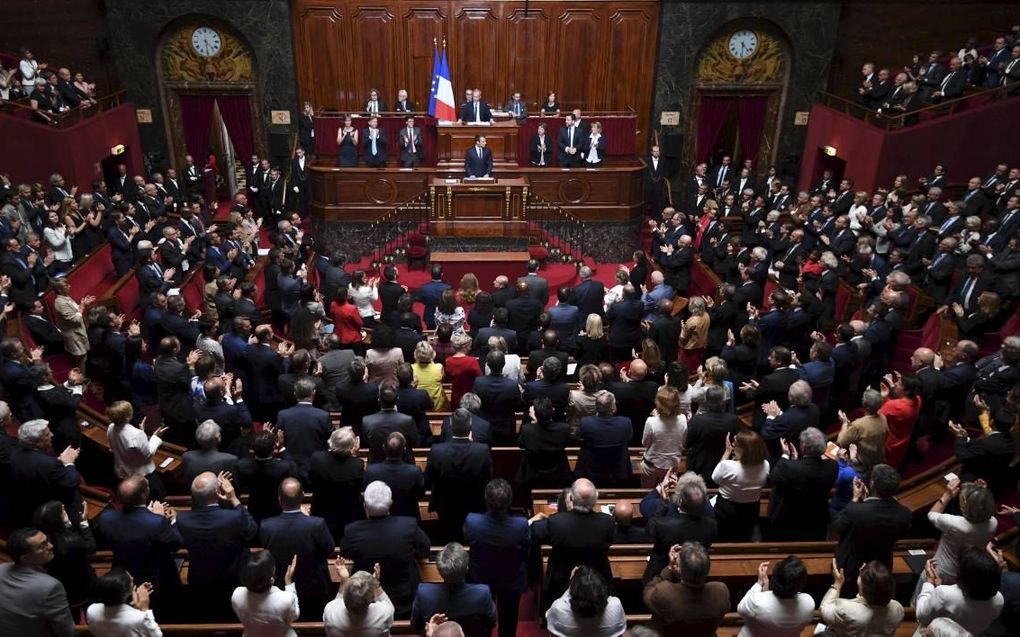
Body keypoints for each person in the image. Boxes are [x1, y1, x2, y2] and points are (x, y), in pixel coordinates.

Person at [341, 480, 431, 618]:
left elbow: (345, 554)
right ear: (391, 503)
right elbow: (424, 549)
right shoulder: (408, 525)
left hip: (366, 600)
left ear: (365, 506)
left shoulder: (352, 531)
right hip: (404, 600)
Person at [175, 471, 258, 621]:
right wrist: (234, 499)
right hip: (233, 578)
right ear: (217, 492)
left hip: (200, 580)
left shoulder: (182, 519)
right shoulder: (233, 517)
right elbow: (251, 531)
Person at [95, 477, 182, 617]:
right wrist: (166, 519)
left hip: (123, 572)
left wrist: (148, 515)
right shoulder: (157, 522)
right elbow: (175, 544)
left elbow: (131, 528)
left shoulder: (106, 518)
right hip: (156, 576)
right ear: (143, 495)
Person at [259, 478, 335, 620]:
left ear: (279, 499)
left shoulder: (266, 526)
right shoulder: (316, 524)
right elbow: (329, 549)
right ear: (302, 496)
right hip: (314, 589)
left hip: (280, 589)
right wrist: (307, 519)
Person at [463, 479, 531, 637]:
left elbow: (467, 536)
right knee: (509, 620)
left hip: (481, 577)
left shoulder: (472, 521)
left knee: (482, 620)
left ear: (486, 500)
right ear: (509, 502)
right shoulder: (521, 525)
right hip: (511, 579)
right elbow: (526, 545)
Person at [834, 464, 912, 597]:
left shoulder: (855, 510)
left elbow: (838, 527)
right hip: (882, 564)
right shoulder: (905, 514)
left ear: (872, 483)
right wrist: (867, 500)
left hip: (853, 566)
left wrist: (855, 499)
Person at [541, 479, 616, 611]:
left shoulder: (556, 522)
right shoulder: (608, 523)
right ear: (596, 498)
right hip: (596, 582)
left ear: (571, 498)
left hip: (562, 581)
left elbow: (535, 534)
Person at [426, 409, 493, 542]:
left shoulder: (437, 451)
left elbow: (429, 478)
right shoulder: (482, 450)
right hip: (474, 503)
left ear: (450, 426)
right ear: (470, 427)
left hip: (445, 504)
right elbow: (488, 477)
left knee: (448, 537)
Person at [641, 471, 718, 583]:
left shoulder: (664, 526)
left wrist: (664, 503)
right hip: (695, 572)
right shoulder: (712, 525)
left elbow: (649, 526)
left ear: (680, 501)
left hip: (663, 573)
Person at [642, 541, 731, 636]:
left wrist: (670, 568)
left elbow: (648, 591)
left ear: (679, 570)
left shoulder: (665, 594)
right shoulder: (721, 591)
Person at [768, 427, 839, 541]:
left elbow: (774, 478)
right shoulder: (833, 466)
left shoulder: (791, 467)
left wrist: (785, 455)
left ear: (803, 446)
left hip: (791, 517)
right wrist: (794, 464)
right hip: (817, 517)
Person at [0, 527, 74, 636]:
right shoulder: (50, 587)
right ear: (25, 558)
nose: (51, 546)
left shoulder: (2, 568)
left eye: (47, 541)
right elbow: (66, 630)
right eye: (42, 546)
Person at [411, 543, 496, 636]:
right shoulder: (482, 593)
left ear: (439, 571)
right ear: (467, 569)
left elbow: (416, 625)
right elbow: (491, 622)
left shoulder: (424, 593)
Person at [916, 547, 1004, 636]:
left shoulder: (943, 594)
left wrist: (929, 583)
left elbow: (921, 616)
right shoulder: (999, 600)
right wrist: (940, 587)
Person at [32, 500, 96, 621]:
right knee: (89, 613)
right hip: (82, 582)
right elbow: (90, 547)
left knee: (72, 617)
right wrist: (83, 522)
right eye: (62, 511)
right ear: (57, 520)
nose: (65, 511)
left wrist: (67, 525)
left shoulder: (43, 539)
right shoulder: (71, 542)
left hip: (60, 583)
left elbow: (64, 537)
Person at [926, 478, 997, 586]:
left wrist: (947, 494)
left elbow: (931, 514)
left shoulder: (954, 523)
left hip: (942, 571)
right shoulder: (993, 523)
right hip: (969, 571)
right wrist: (981, 495)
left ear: (964, 504)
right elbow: (982, 509)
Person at [711, 430, 770, 542]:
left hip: (726, 510)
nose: (733, 445)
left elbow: (715, 478)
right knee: (743, 535)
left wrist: (726, 453)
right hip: (751, 510)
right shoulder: (765, 465)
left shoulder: (728, 466)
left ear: (745, 450)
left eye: (735, 444)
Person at [309, 427, 365, 542]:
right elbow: (358, 487)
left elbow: (312, 480)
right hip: (347, 517)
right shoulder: (357, 465)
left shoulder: (317, 459)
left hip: (321, 512)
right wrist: (353, 456)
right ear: (352, 447)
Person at [821, 559, 904, 637]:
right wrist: (866, 574)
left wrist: (837, 584)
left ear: (864, 588)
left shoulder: (847, 609)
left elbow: (825, 609)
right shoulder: (898, 609)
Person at [736, 556, 815, 637]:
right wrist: (766, 594)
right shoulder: (809, 603)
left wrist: (759, 583)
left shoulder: (757, 602)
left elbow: (741, 608)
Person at [231, 550, 300, 636]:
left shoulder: (237, 594)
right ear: (271, 578)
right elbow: (295, 616)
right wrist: (289, 583)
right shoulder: (286, 599)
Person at [544, 566, 626, 637]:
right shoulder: (615, 605)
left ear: (573, 590)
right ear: (602, 588)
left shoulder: (559, 608)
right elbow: (620, 633)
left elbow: (550, 624)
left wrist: (571, 584)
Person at [323, 562, 395, 637]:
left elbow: (336, 603)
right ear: (371, 599)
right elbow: (389, 606)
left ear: (345, 595)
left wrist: (344, 580)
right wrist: (375, 583)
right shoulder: (383, 613)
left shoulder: (330, 611)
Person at [575, 392, 633, 485]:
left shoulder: (586, 423)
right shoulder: (625, 422)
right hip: (618, 470)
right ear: (613, 408)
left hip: (592, 470)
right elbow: (629, 437)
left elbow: (578, 437)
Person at [85, 568, 162, 637]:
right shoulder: (140, 618)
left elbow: (118, 613)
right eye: (131, 581)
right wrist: (145, 610)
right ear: (126, 592)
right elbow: (157, 635)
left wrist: (133, 606)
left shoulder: (92, 609)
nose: (133, 578)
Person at [641, 385, 687, 487]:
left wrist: (655, 417)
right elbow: (683, 442)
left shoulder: (651, 421)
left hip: (652, 465)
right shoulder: (683, 419)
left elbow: (645, 443)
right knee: (667, 491)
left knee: (648, 491)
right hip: (672, 464)